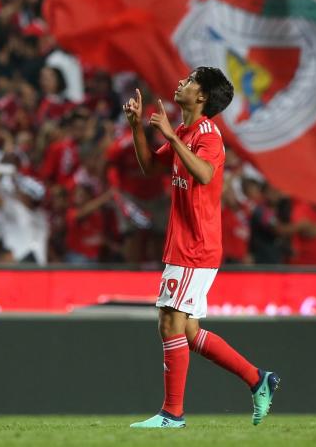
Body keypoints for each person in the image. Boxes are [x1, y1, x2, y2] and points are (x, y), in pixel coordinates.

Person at [124, 67, 279, 429]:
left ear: (202, 96)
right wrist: (137, 127)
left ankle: (172, 414)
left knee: (169, 322)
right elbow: (149, 166)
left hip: (196, 245)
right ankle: (258, 379)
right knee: (188, 330)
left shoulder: (208, 136)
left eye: (190, 80)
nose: (180, 82)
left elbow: (206, 174)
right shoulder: (183, 131)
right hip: (184, 243)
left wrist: (171, 137)